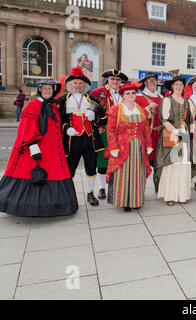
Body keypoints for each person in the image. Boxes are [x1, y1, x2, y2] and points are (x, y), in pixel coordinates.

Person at [0, 79, 78, 217]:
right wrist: (33, 146)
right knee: (34, 174)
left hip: (53, 150)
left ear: (54, 90)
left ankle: (54, 205)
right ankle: (31, 206)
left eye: (50, 88)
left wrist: (66, 130)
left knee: (54, 173)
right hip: (38, 149)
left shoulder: (53, 107)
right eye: (44, 88)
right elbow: (26, 128)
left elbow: (55, 126)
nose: (47, 91)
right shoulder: (32, 105)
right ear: (40, 90)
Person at [58, 66, 106, 206]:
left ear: (84, 85)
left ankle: (90, 193)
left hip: (90, 139)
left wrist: (94, 117)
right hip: (72, 140)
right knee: (70, 167)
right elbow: (57, 120)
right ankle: (68, 194)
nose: (78, 86)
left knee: (91, 166)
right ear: (70, 85)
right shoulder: (63, 100)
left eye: (80, 84)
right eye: (75, 83)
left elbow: (103, 118)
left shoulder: (90, 99)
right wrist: (66, 128)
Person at [105, 82, 153, 212]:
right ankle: (124, 201)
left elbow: (146, 130)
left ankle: (136, 200)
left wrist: (149, 145)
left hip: (139, 149)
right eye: (128, 93)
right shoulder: (116, 110)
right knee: (124, 174)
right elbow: (110, 130)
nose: (131, 95)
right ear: (123, 95)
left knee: (138, 173)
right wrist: (113, 147)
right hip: (122, 148)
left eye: (133, 93)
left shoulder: (141, 110)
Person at [155, 76, 196, 206]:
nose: (178, 87)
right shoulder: (167, 100)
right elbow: (164, 120)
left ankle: (182, 194)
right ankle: (170, 195)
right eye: (176, 85)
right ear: (172, 86)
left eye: (180, 85)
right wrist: (176, 132)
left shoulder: (188, 102)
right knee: (171, 165)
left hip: (185, 135)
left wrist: (191, 134)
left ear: (183, 87)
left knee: (184, 165)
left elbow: (192, 121)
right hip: (171, 134)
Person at [90, 69, 129, 200]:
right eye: (112, 79)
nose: (115, 82)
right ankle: (101, 188)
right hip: (104, 132)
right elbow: (91, 111)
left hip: (122, 133)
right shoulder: (97, 93)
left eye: (118, 80)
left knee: (119, 160)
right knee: (103, 161)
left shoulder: (125, 93)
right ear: (107, 79)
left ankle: (116, 186)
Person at [135, 72, 163, 172]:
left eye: (154, 80)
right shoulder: (138, 97)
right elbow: (135, 116)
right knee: (143, 164)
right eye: (149, 81)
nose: (152, 82)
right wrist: (147, 108)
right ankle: (140, 185)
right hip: (146, 135)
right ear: (145, 83)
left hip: (159, 136)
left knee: (159, 165)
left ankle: (158, 187)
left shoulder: (161, 97)